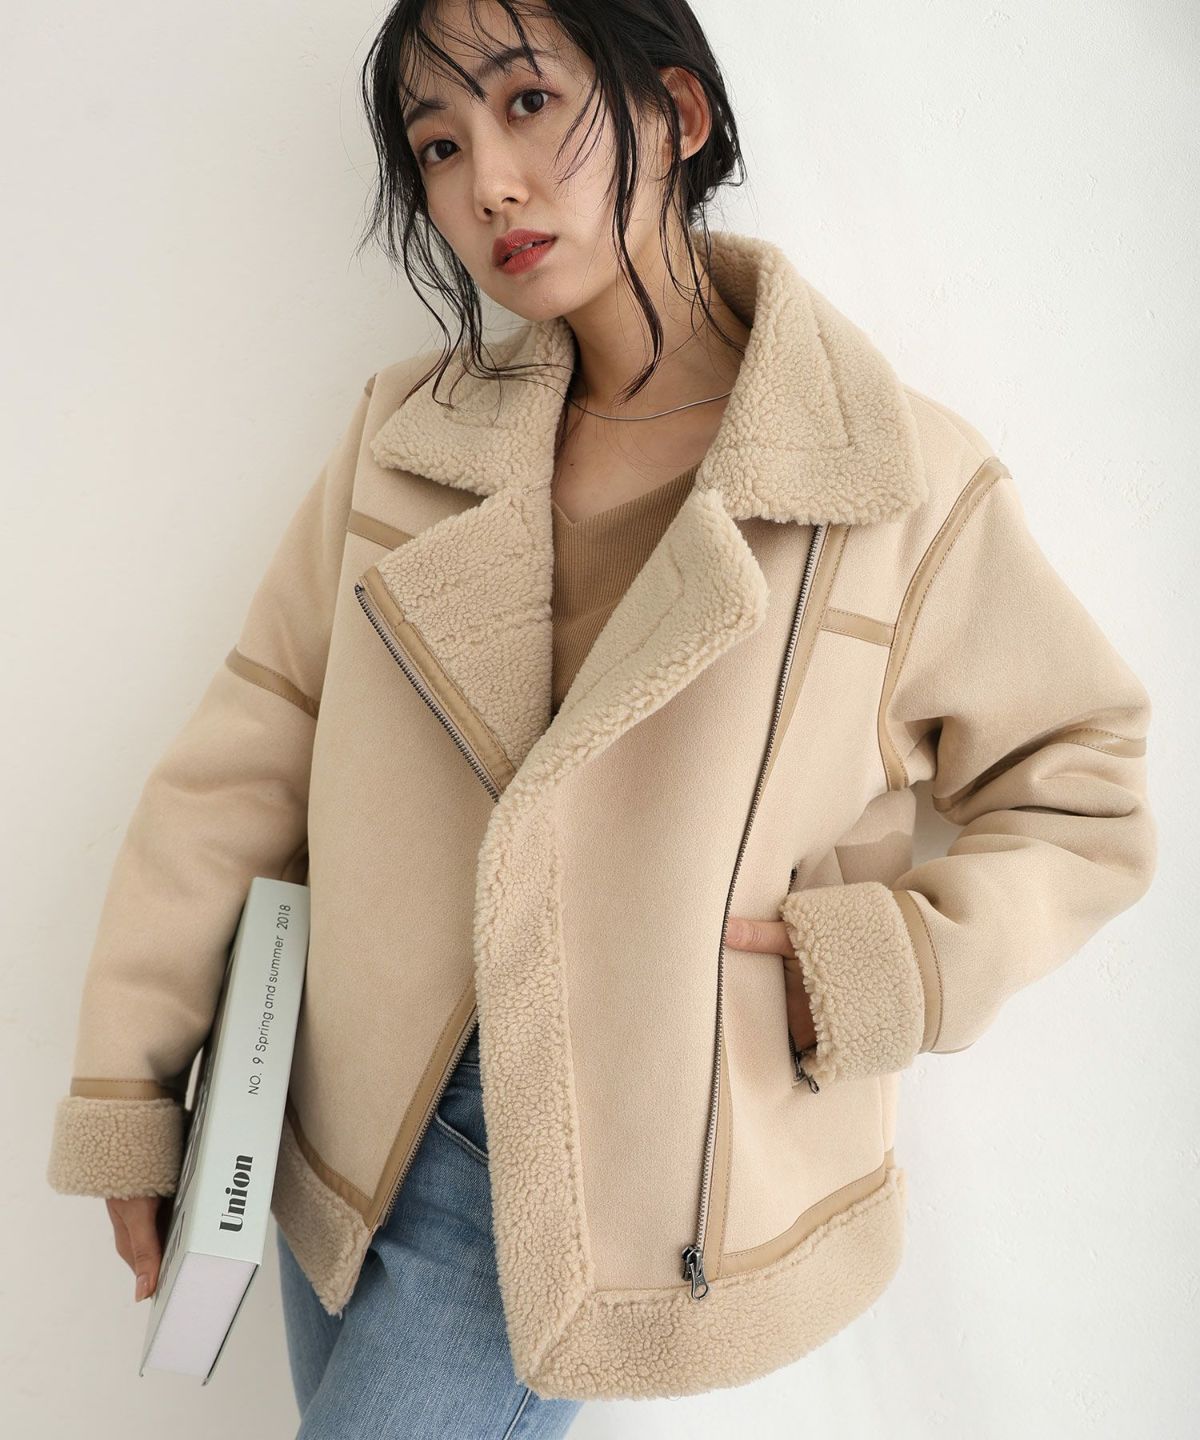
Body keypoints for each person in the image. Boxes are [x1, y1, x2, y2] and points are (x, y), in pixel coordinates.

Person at [46, 0, 1158, 1434]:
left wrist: (886, 968)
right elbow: (243, 762)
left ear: (677, 115)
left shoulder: (889, 480)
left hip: (593, 1176)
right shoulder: (405, 439)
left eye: (527, 104)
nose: (487, 185)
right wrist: (132, 1090)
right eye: (438, 146)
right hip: (339, 1137)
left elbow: (1085, 780)